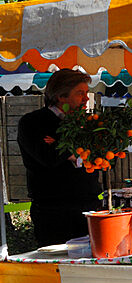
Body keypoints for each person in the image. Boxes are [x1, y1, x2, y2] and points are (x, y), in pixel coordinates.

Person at [17, 69, 102, 247]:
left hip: (90, 208)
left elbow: (104, 159)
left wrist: (63, 147)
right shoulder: (33, 122)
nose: (86, 98)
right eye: (80, 93)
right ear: (61, 96)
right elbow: (49, 157)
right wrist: (75, 150)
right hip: (53, 214)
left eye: (87, 93)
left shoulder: (87, 123)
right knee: (59, 268)